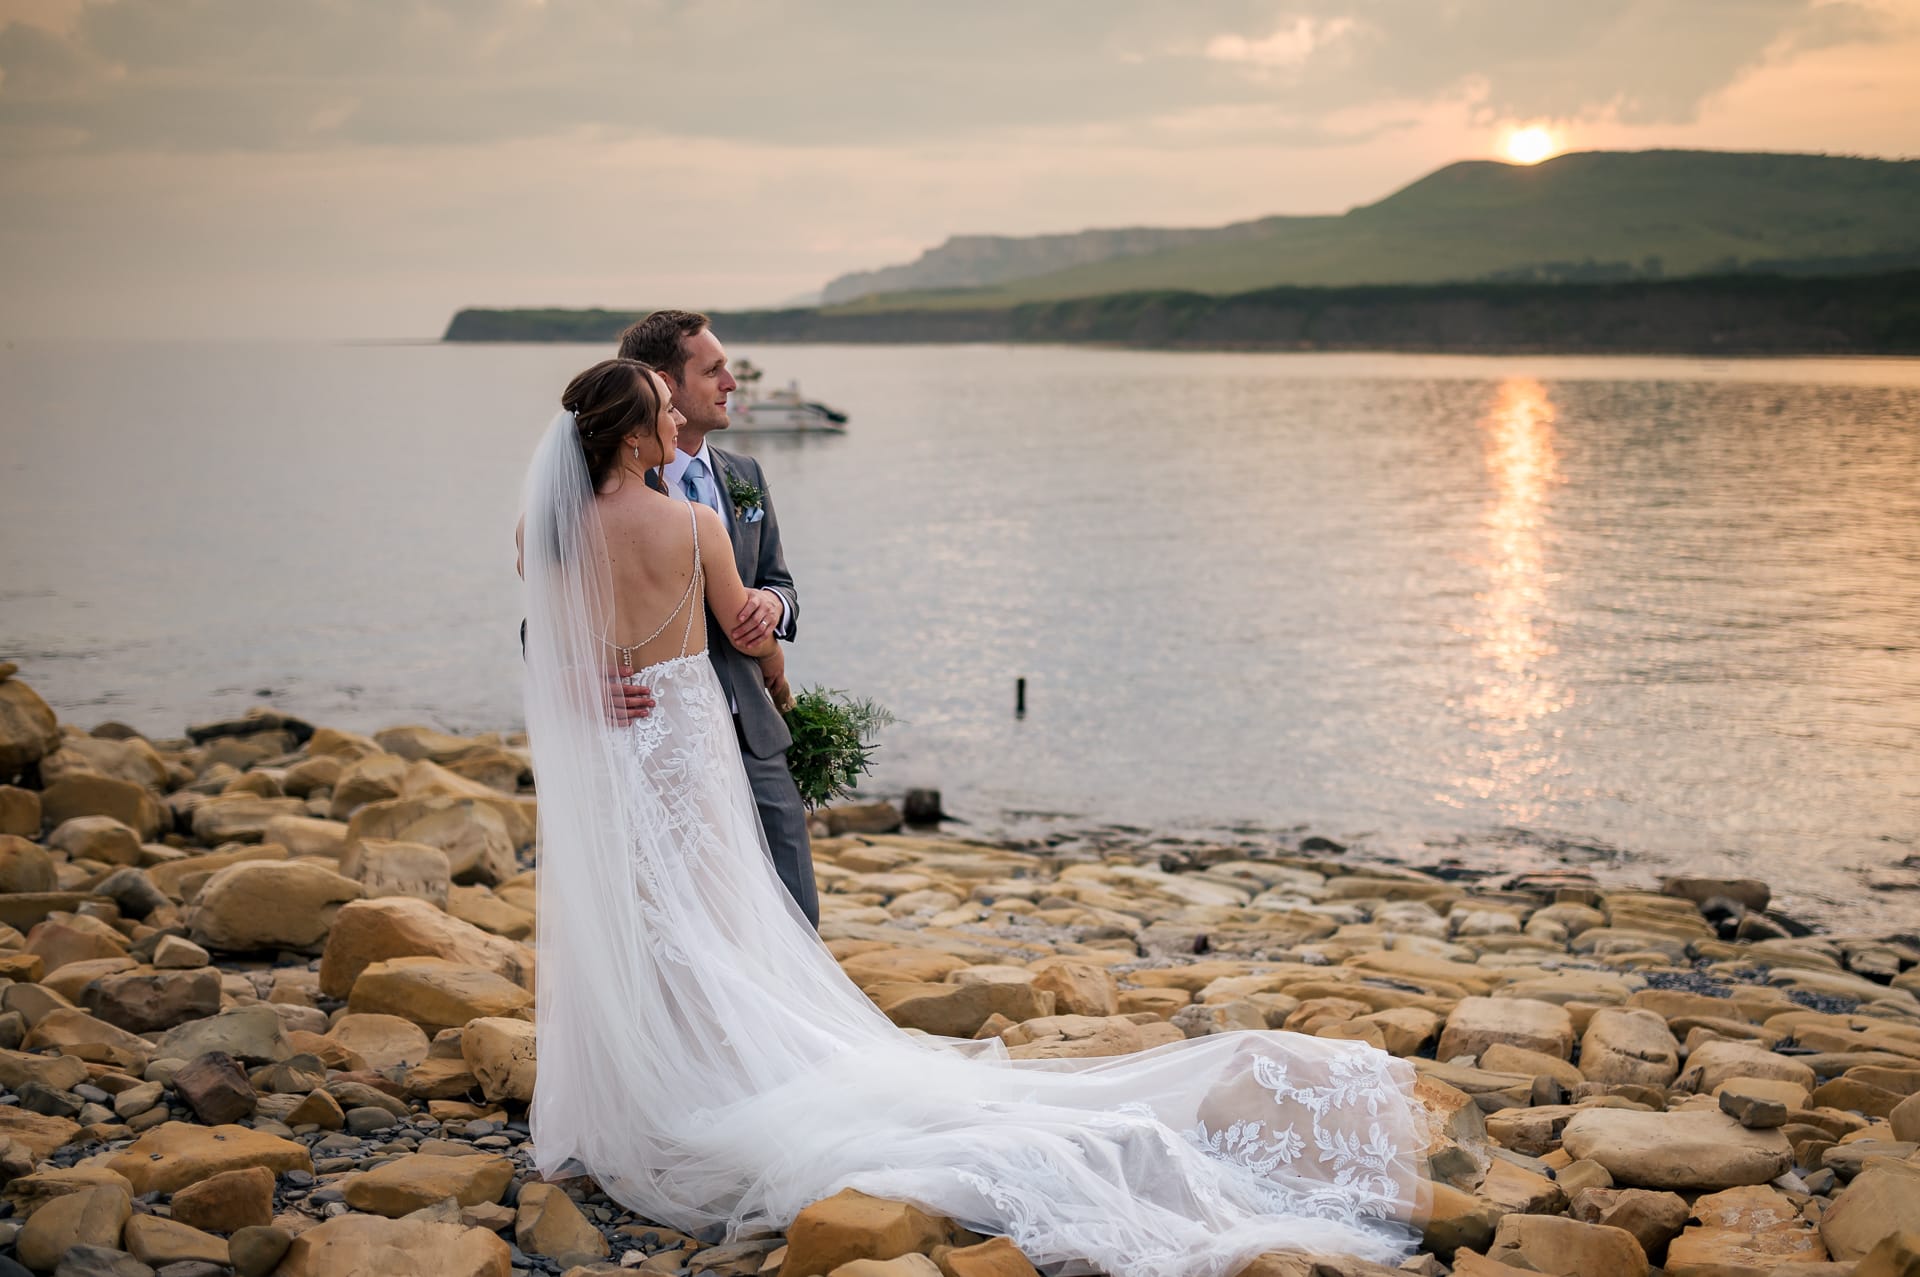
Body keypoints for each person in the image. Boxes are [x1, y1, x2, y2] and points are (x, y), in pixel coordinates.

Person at [520, 359, 1432, 1277]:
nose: (682, 417)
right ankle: (717, 1075)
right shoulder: (694, 523)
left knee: (627, 911)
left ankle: (637, 1095)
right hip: (684, 735)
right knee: (714, 912)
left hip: (609, 744)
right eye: (668, 410)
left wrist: (575, 678)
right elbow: (747, 634)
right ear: (636, 437)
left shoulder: (545, 528)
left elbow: (547, 637)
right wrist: (770, 651)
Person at [608, 309, 818, 928]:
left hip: (750, 725)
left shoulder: (744, 475)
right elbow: (546, 619)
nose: (731, 384)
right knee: (681, 914)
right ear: (663, 384)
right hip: (662, 737)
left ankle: (791, 1026)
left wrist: (773, 606)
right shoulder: (610, 489)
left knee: (794, 906)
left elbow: (781, 580)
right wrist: (577, 680)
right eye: (715, 370)